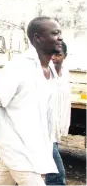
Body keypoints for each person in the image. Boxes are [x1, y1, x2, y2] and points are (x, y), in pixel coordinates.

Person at [0, 16, 63, 185]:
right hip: (19, 148)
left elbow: (29, 109)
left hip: (32, 146)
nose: (60, 37)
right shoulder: (19, 66)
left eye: (60, 33)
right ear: (38, 38)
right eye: (55, 33)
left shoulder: (50, 70)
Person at [45, 41, 71, 185]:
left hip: (54, 129)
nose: (54, 57)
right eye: (51, 54)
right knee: (57, 173)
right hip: (44, 129)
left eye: (58, 54)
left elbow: (64, 102)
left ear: (65, 56)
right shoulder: (44, 72)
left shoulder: (64, 73)